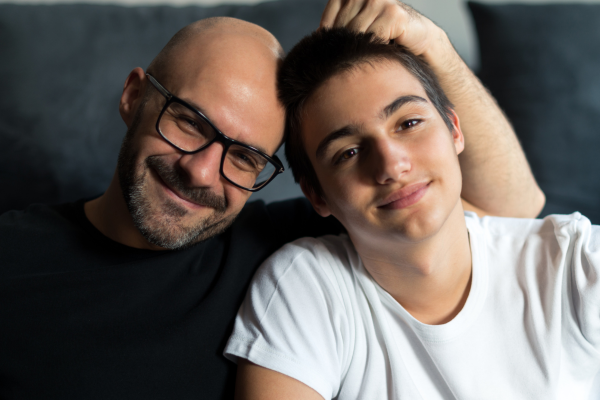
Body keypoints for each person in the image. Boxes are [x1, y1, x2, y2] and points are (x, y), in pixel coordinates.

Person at [0, 1, 543, 399]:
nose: (200, 170)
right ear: (134, 97)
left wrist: (436, 51)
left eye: (242, 157)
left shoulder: (283, 249)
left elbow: (512, 210)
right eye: (188, 123)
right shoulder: (15, 257)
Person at [225, 27, 599, 399]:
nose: (391, 165)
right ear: (316, 195)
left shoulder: (575, 261)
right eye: (349, 152)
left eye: (408, 123)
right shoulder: (307, 286)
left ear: (454, 130)